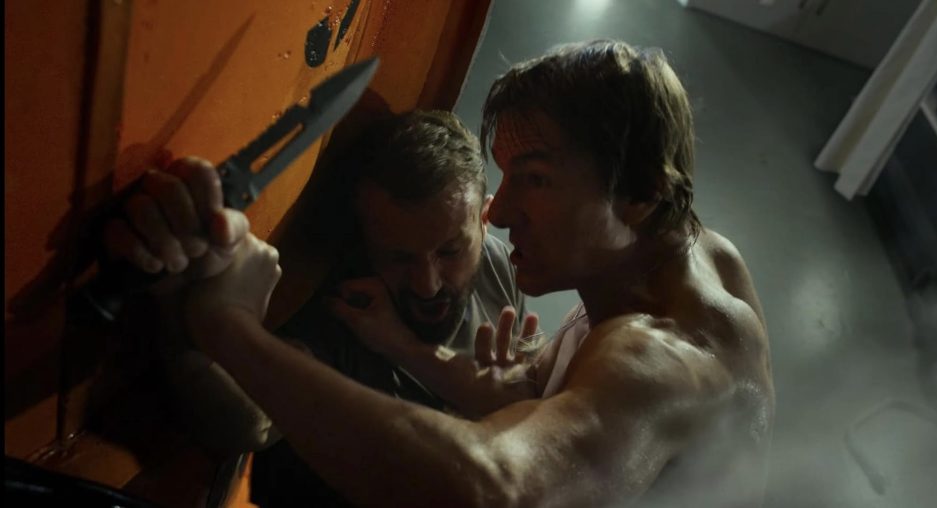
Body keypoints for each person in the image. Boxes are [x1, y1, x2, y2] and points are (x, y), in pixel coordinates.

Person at [182, 39, 774, 507]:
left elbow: (495, 492)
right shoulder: (695, 253)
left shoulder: (660, 361)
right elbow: (532, 394)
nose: (500, 212)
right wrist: (404, 346)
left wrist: (228, 324)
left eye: (535, 179)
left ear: (641, 193)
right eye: (506, 175)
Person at [102, 110, 533, 506]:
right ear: (368, 240)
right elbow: (250, 423)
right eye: (398, 257)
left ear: (484, 220)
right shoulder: (348, 305)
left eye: (450, 251)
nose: (427, 284)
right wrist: (183, 307)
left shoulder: (502, 269)